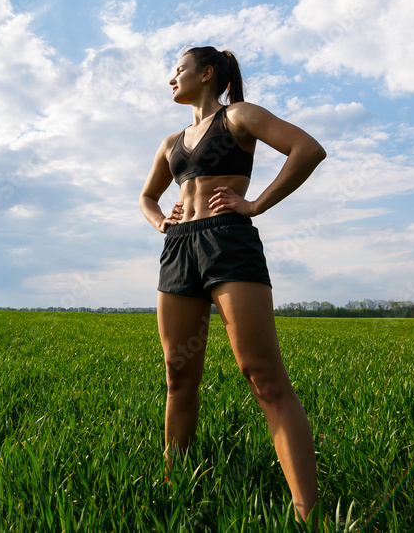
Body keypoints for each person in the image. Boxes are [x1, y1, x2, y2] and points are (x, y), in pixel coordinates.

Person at [138, 46, 327, 527]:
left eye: (177, 70)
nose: (170, 79)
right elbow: (146, 196)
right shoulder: (170, 142)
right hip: (180, 249)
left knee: (262, 375)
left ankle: (309, 514)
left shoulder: (240, 116)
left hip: (228, 244)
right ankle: (173, 485)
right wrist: (162, 222)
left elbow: (308, 149)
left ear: (206, 74)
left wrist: (257, 203)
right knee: (178, 376)